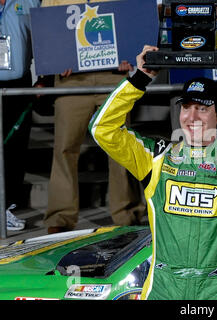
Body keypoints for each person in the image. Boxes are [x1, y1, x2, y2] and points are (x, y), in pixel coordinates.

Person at [89, 44, 217, 300]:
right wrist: (139, 79)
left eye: (202, 108)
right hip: (162, 290)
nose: (192, 116)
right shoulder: (156, 158)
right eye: (186, 107)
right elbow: (102, 128)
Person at [40, 0, 145, 234]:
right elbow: (47, 31)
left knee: (121, 145)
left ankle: (127, 215)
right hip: (71, 79)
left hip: (112, 75)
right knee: (65, 147)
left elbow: (132, 24)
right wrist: (56, 59)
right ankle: (60, 218)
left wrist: (129, 53)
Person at [0, 0, 40, 231]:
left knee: (15, 147)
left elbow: (44, 34)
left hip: (18, 84)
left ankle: (6, 208)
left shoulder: (29, 1)